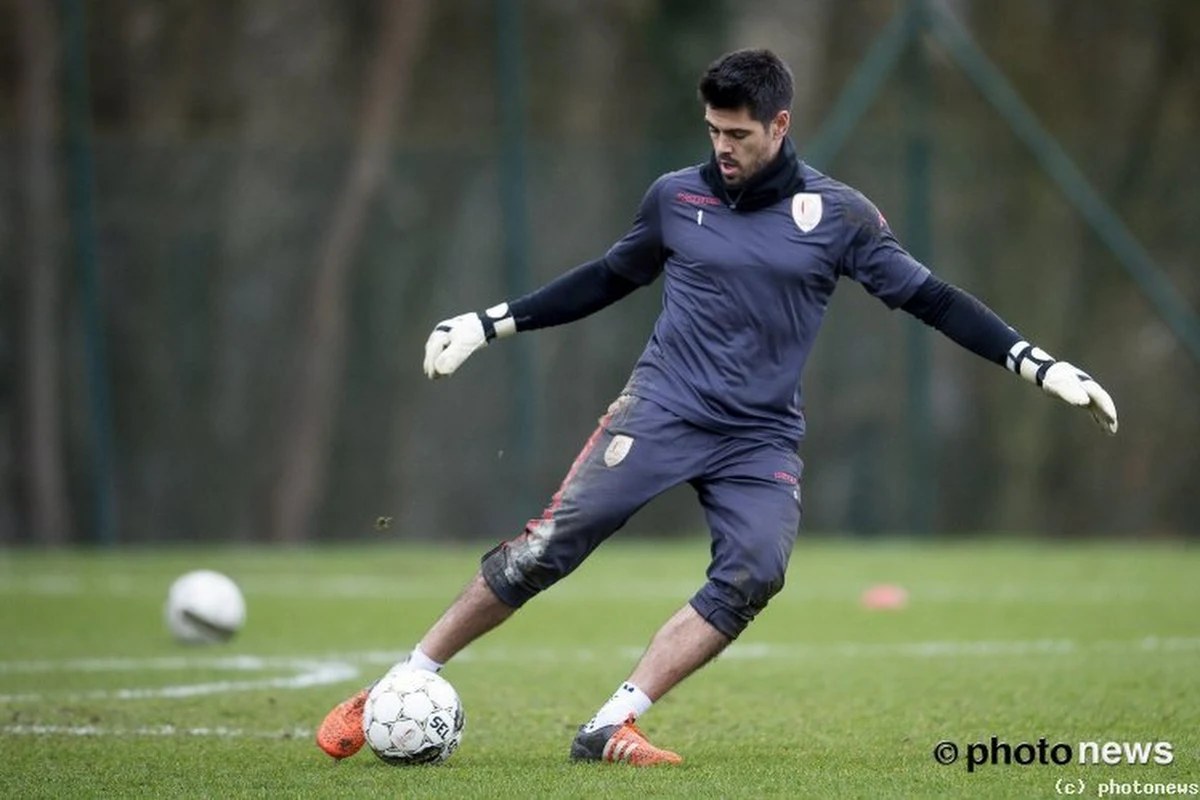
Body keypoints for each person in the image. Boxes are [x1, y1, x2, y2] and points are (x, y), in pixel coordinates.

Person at [316, 48, 1117, 766]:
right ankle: (405, 677)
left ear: (780, 123)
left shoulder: (838, 216)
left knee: (755, 572)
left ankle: (610, 726)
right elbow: (607, 278)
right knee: (547, 549)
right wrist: (491, 322)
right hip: (660, 409)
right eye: (712, 132)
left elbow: (933, 299)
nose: (722, 149)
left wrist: (1037, 364)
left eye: (737, 134)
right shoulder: (675, 198)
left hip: (760, 435)